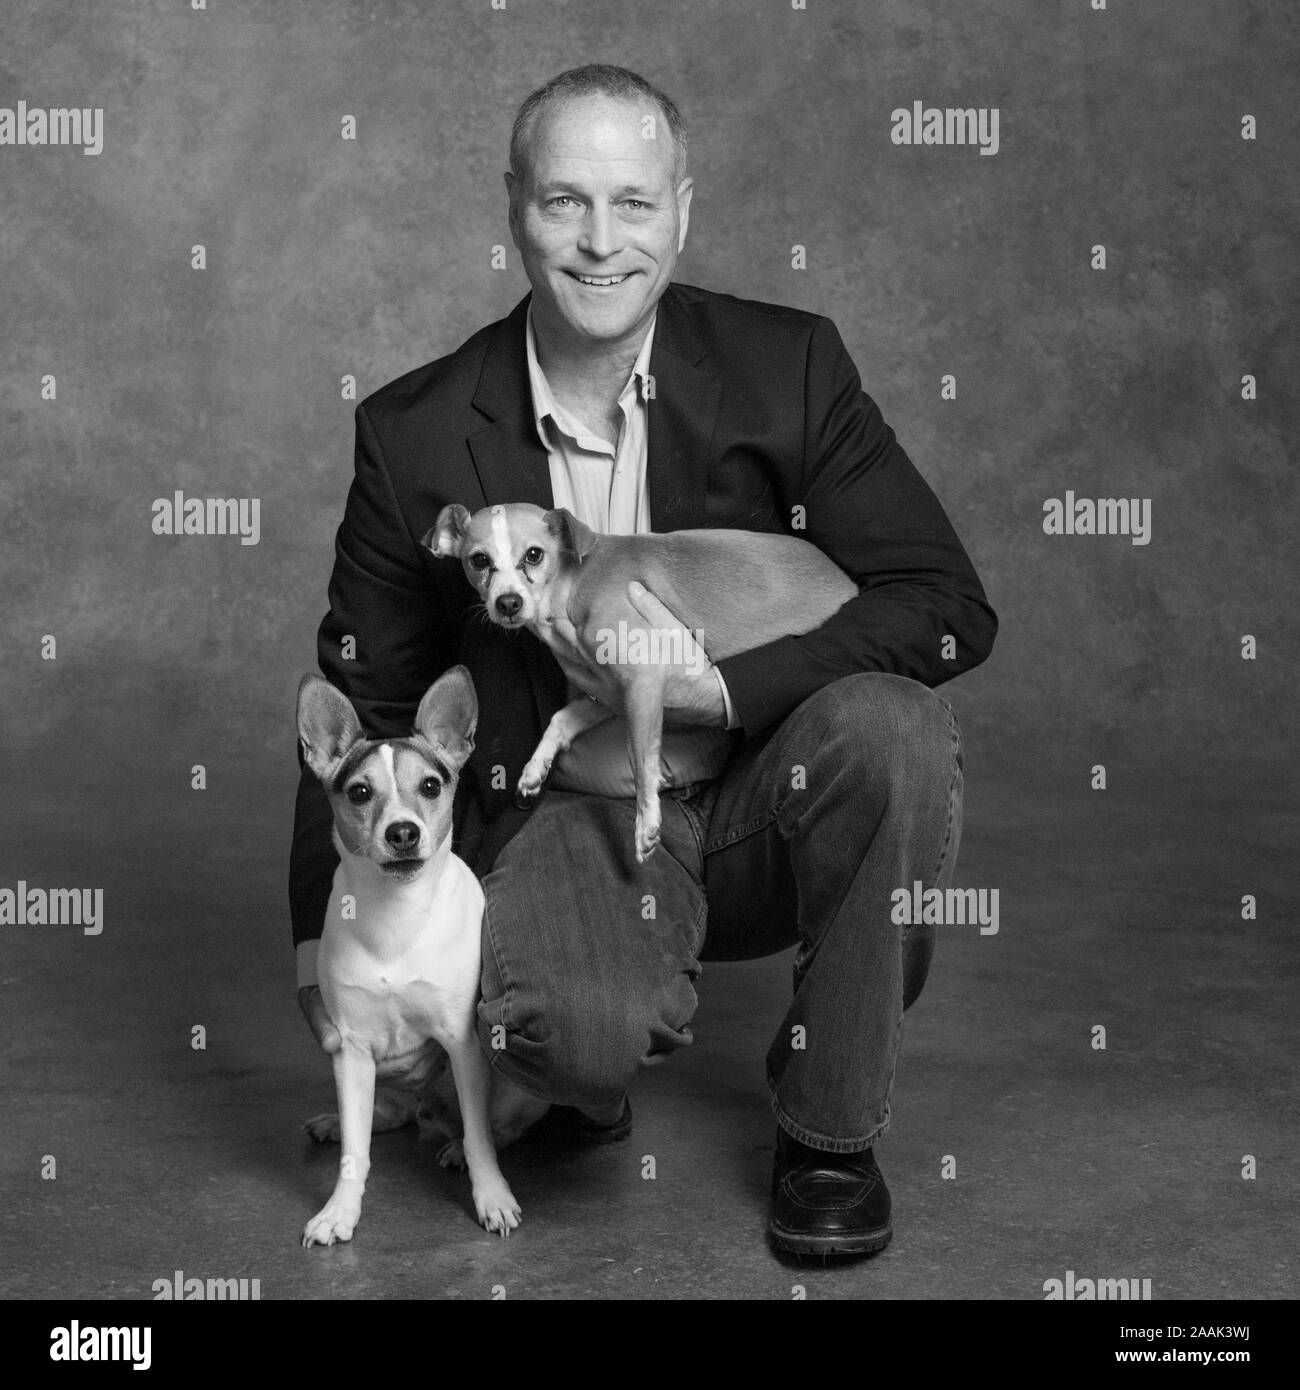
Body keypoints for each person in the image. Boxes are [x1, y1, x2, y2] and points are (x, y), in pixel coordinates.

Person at [290, 63, 997, 1257]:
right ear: (513, 205)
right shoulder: (414, 429)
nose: (601, 242)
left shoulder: (792, 364)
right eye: (564, 202)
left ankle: (828, 1129)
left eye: (633, 202)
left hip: (771, 787)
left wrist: (728, 688)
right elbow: (364, 700)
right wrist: (320, 943)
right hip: (576, 808)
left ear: (683, 210)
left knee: (895, 728)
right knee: (570, 1032)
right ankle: (580, 1059)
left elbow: (943, 607)